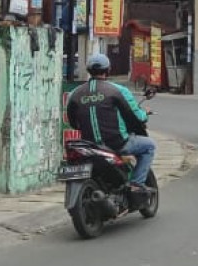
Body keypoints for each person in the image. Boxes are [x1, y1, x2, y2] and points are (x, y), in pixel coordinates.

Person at [66, 53, 156, 190]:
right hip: (117, 144)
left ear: (89, 71)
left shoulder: (74, 94)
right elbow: (136, 117)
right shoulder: (118, 91)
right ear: (108, 70)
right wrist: (145, 114)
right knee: (149, 145)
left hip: (89, 146)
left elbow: (73, 122)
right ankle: (136, 184)